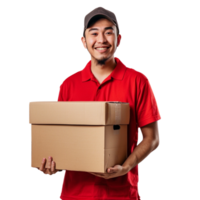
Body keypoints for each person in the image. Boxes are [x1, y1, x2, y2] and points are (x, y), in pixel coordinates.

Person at [38, 6, 163, 200]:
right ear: (83, 42)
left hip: (122, 195)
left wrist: (125, 167)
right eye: (94, 33)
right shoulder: (67, 84)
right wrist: (53, 166)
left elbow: (153, 138)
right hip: (73, 195)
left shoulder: (139, 81)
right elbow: (64, 141)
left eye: (108, 32)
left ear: (119, 39)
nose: (101, 40)